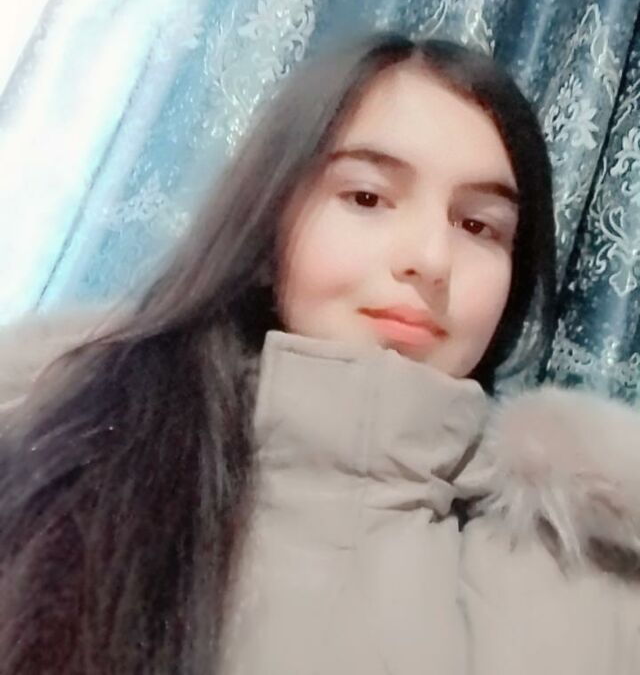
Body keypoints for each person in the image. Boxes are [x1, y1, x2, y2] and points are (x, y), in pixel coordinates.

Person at [0, 34, 638, 675]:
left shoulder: (602, 588)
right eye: (367, 198)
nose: (431, 259)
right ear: (267, 224)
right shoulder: (47, 465)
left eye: (477, 226)